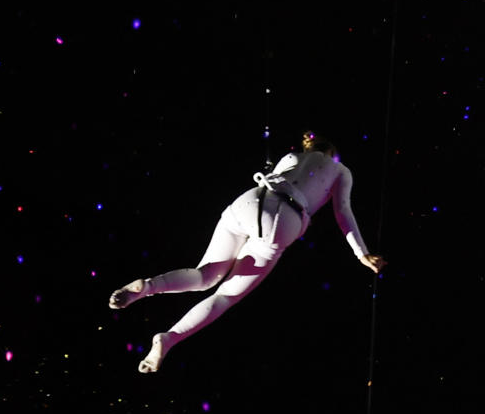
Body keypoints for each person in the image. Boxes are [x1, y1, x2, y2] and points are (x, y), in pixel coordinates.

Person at [107, 131, 385, 373]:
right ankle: (169, 338)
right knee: (225, 296)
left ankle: (148, 287)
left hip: (250, 199)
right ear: (332, 153)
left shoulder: (291, 158)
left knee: (204, 275)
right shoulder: (340, 170)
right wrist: (361, 254)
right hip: (285, 216)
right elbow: (342, 211)